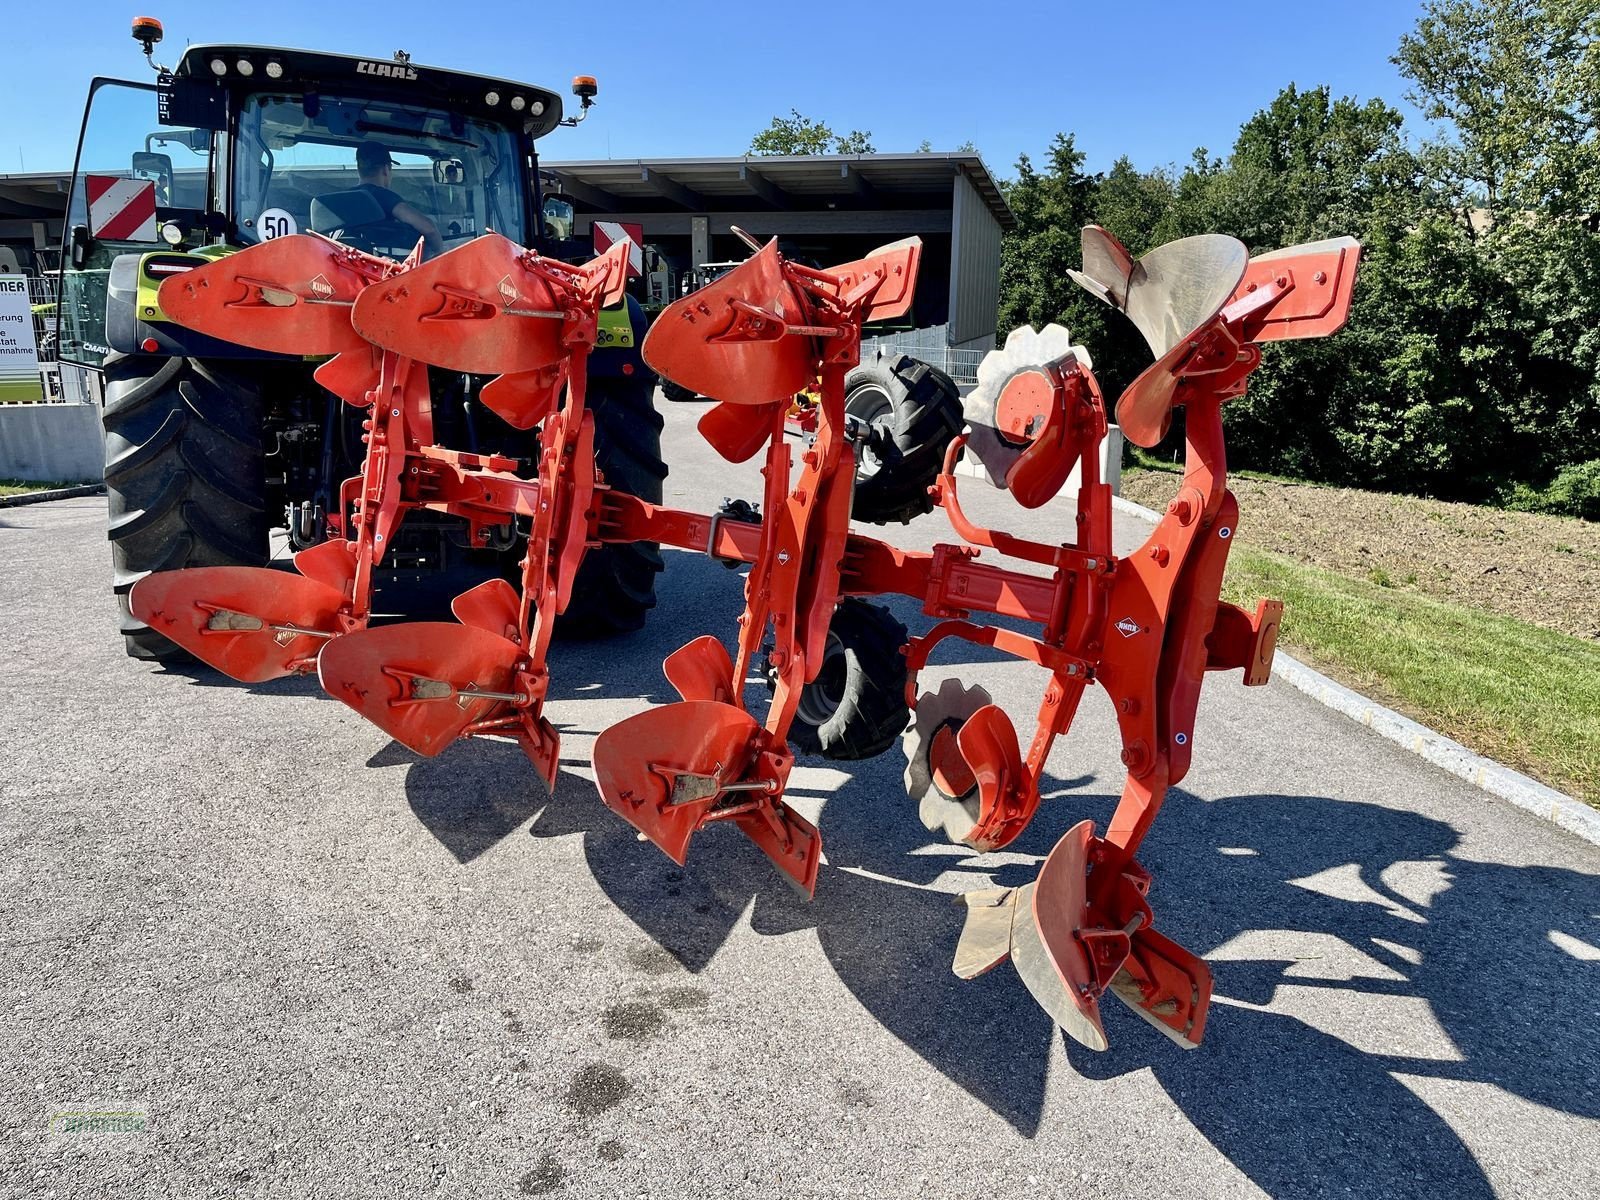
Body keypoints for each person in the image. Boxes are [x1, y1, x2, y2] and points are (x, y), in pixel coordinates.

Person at [353, 140, 443, 258]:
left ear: (359, 169)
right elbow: (429, 228)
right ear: (386, 170)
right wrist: (439, 252)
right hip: (384, 267)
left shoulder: (341, 199)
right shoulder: (381, 195)